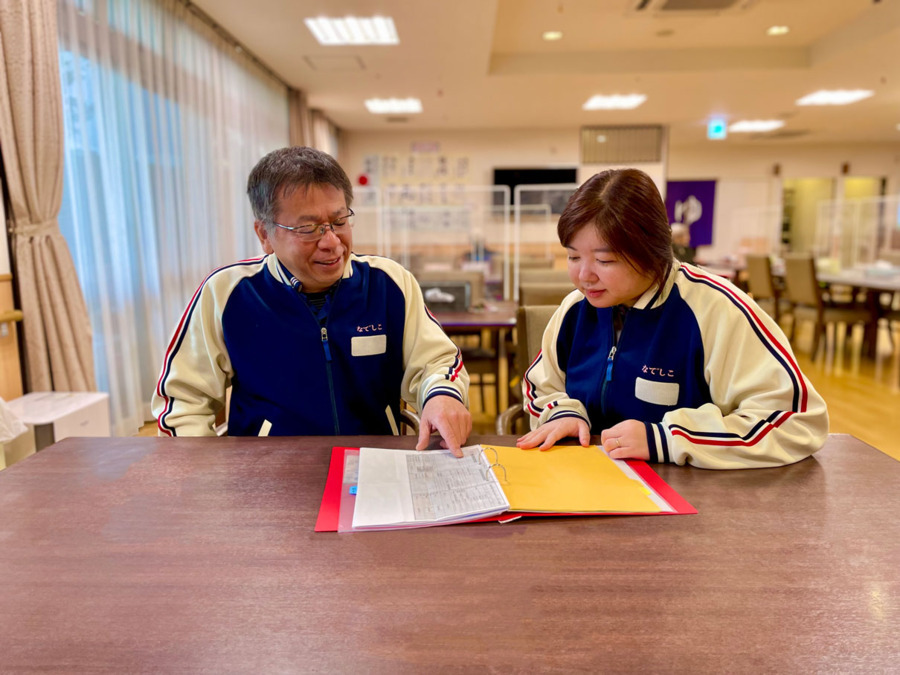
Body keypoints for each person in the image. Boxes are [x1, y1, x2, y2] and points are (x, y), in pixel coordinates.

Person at [152, 146, 472, 455]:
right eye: (308, 228)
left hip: (374, 466)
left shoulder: (388, 283)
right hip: (265, 476)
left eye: (339, 222)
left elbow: (435, 362)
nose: (332, 242)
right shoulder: (228, 293)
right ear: (264, 234)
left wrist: (441, 394)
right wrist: (204, 471)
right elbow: (183, 401)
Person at [516, 168, 827, 469]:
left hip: (692, 494)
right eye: (573, 256)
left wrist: (668, 439)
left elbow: (796, 422)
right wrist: (562, 413)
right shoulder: (575, 310)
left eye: (604, 260)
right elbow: (543, 385)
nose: (584, 275)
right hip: (586, 484)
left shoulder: (715, 310)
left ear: (653, 249)